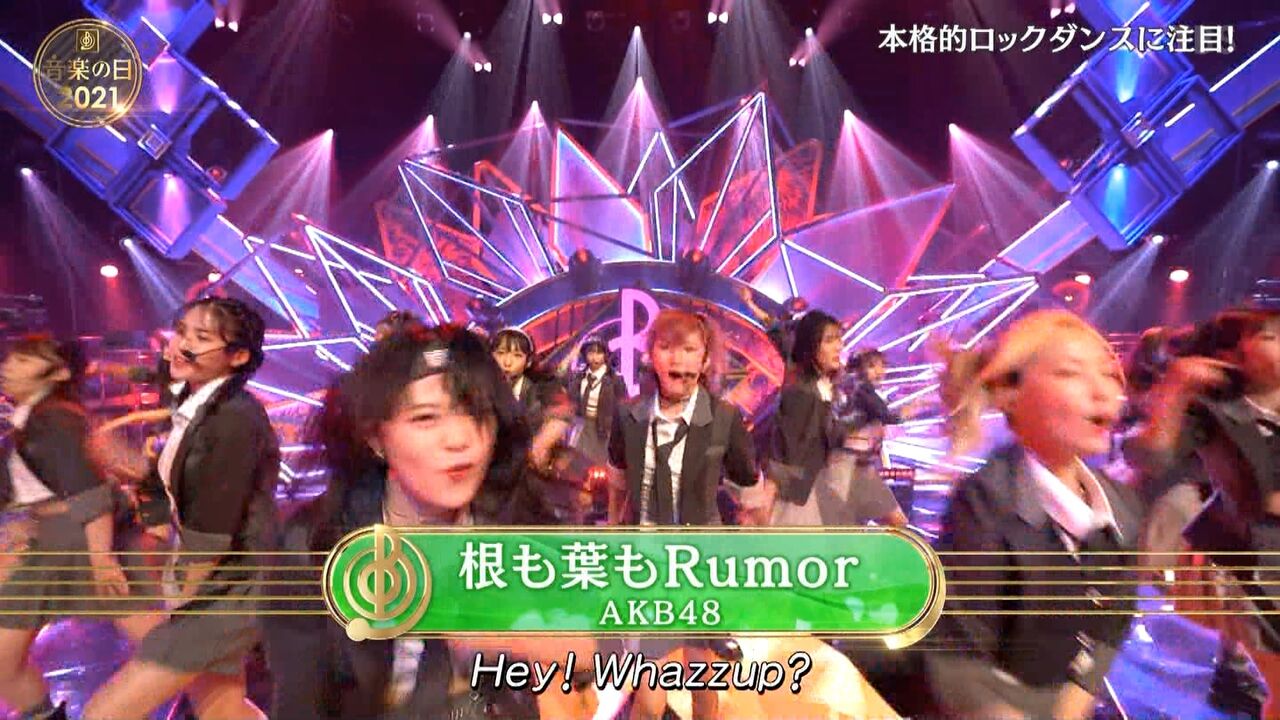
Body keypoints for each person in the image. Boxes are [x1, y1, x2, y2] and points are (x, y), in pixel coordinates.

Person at [263, 324, 600, 719]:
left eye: (476, 414)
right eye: (425, 418)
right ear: (376, 437)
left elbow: (585, 659)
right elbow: (301, 702)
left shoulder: (521, 529)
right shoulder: (315, 546)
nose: (459, 439)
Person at [927, 309, 1143, 719]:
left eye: (1109, 373)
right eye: (1070, 373)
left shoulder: (1123, 508)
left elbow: (1112, 625)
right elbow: (956, 664)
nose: (1103, 391)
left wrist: (1075, 701)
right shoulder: (986, 503)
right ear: (1011, 394)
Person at [83, 297, 279, 720]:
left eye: (201, 337)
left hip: (226, 594)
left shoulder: (232, 421)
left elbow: (211, 531)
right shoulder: (194, 398)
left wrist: (179, 599)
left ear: (238, 356)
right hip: (219, 589)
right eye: (182, 331)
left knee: (104, 714)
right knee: (222, 710)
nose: (181, 345)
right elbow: (159, 375)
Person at [606, 308, 762, 720]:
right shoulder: (629, 415)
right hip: (647, 562)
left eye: (690, 349)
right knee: (649, 692)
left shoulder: (724, 418)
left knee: (702, 678)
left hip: (701, 563)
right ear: (651, 356)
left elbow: (751, 487)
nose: (678, 359)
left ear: (705, 360)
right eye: (667, 347)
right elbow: (617, 482)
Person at [1126, 308, 1280, 715]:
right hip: (1246, 559)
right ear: (1231, 356)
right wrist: (1176, 387)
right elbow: (1148, 456)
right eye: (1271, 336)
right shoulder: (1214, 411)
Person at [0, 336, 127, 720]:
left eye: (24, 360)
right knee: (4, 659)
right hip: (56, 539)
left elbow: (91, 494)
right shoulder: (31, 419)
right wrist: (27, 523)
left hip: (78, 538)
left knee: (169, 647)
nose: (8, 366)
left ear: (58, 373)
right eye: (10, 359)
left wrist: (102, 559)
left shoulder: (53, 419)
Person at [768, 313, 907, 527]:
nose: (838, 347)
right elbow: (796, 453)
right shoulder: (801, 394)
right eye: (829, 340)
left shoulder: (833, 387)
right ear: (811, 346)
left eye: (839, 339)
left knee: (897, 523)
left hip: (842, 473)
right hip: (818, 485)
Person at [568, 335, 628, 466]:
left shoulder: (615, 379)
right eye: (590, 352)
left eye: (599, 353)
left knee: (599, 467)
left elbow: (625, 408)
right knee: (576, 464)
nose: (594, 357)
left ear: (605, 354)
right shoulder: (579, 376)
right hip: (582, 427)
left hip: (604, 429)